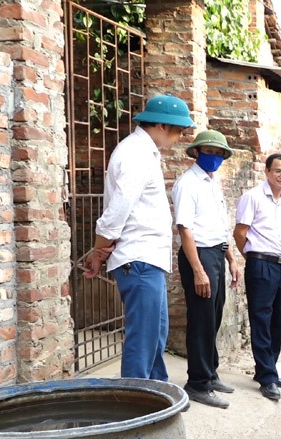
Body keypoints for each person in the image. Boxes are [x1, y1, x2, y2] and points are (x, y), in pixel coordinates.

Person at [83, 94, 195, 381]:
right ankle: (134, 408)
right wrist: (97, 252)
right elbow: (117, 211)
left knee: (156, 336)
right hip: (139, 259)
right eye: (178, 131)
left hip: (146, 259)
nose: (180, 138)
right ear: (160, 124)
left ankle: (157, 394)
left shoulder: (143, 153)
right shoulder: (135, 154)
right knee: (143, 342)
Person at [173, 130, 240, 409]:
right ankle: (197, 383)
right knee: (201, 320)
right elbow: (185, 228)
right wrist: (198, 270)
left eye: (218, 153)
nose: (213, 157)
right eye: (208, 151)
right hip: (197, 255)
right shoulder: (188, 183)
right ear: (197, 152)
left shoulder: (211, 183)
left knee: (213, 317)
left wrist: (231, 258)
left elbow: (218, 227)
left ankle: (210, 374)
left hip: (215, 253)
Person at [234, 153, 281, 401]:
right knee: (261, 319)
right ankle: (266, 377)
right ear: (267, 171)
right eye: (278, 171)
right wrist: (252, 257)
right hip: (261, 264)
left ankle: (269, 366)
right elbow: (240, 233)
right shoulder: (251, 198)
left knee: (278, 319)